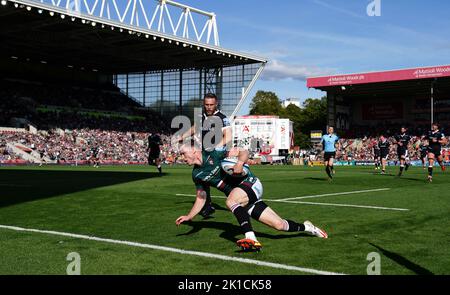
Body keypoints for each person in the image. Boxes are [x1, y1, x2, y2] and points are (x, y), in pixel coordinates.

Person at [175, 144, 328, 251]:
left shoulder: (213, 153)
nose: (182, 157)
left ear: (194, 150)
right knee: (280, 225)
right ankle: (309, 228)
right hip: (243, 197)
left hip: (250, 183)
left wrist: (240, 163)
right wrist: (189, 216)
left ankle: (251, 238)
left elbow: (244, 151)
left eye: (183, 154)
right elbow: (201, 198)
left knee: (230, 201)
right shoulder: (197, 174)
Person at [177, 93, 232, 218]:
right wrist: (182, 136)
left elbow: (228, 136)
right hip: (203, 153)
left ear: (216, 104)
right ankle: (207, 205)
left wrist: (216, 147)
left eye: (211, 105)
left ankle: (238, 200)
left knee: (225, 179)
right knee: (201, 178)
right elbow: (195, 128)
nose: (209, 107)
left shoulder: (222, 118)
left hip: (218, 154)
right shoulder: (201, 116)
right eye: (206, 104)